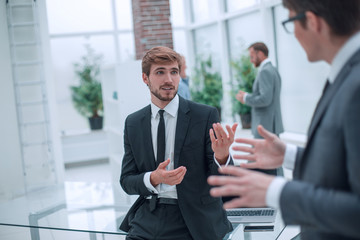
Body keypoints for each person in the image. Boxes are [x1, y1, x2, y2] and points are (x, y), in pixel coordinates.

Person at [208, 0, 360, 239]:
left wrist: (276, 191)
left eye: (290, 21)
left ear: (312, 21)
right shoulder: (346, 74)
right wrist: (289, 155)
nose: (294, 35)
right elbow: (345, 169)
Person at [119, 46, 237, 240]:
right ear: (145, 78)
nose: (169, 79)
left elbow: (223, 181)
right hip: (148, 216)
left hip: (193, 219)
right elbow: (127, 181)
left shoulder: (205, 115)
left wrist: (222, 156)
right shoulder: (133, 123)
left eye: (174, 72)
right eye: (160, 72)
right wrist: (154, 178)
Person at [236, 42, 284, 176]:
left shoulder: (265, 71)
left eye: (252, 56)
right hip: (270, 124)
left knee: (254, 161)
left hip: (264, 125)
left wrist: (246, 98)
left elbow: (265, 99)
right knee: (274, 161)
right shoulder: (272, 69)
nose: (251, 60)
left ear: (260, 54)